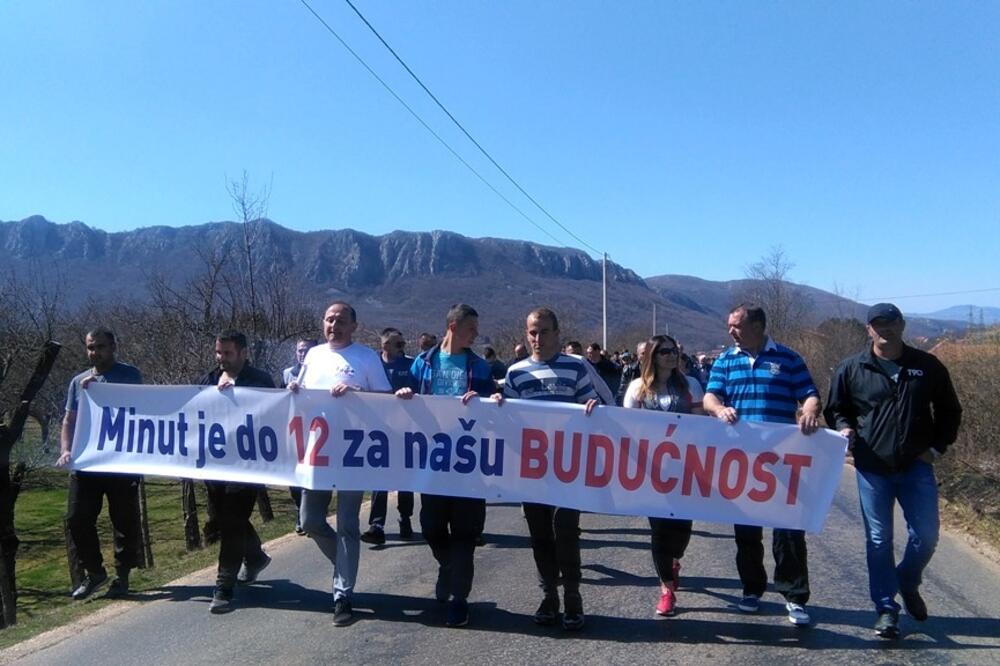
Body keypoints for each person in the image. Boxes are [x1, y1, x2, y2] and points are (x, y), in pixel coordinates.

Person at [825, 303, 962, 639]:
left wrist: (937, 447)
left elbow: (950, 409)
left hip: (916, 466)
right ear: (869, 329)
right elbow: (837, 409)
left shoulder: (926, 365)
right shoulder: (852, 368)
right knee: (878, 539)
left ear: (902, 325)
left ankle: (907, 579)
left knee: (926, 536)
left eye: (890, 322)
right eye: (878, 324)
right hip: (872, 467)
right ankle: (886, 609)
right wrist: (844, 428)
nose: (884, 329)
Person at [702, 304, 822, 626]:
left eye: (736, 325)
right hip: (742, 459)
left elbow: (809, 393)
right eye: (729, 325)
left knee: (789, 531)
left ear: (757, 326)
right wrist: (719, 409)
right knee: (746, 530)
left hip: (783, 458)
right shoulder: (725, 360)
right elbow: (710, 396)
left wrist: (810, 410)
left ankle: (794, 596)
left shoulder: (788, 358)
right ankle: (751, 589)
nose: (730, 331)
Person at [288, 301, 392, 626]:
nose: (334, 325)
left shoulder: (366, 358)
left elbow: (386, 400)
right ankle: (346, 563)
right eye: (330, 320)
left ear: (353, 326)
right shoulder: (314, 355)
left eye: (341, 320)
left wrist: (357, 392)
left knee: (348, 524)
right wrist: (294, 390)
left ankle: (342, 595)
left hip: (352, 453)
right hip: (318, 452)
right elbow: (302, 396)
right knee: (309, 520)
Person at [494, 308, 599, 631]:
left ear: (557, 333)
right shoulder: (516, 373)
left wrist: (593, 408)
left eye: (543, 331)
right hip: (532, 469)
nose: (537, 338)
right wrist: (497, 405)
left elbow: (591, 406)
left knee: (565, 531)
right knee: (540, 535)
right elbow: (509, 418)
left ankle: (572, 597)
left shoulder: (576, 368)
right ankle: (549, 596)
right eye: (532, 332)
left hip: (568, 466)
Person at [395, 304, 496, 627]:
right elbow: (406, 404)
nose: (475, 335)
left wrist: (490, 400)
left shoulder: (479, 366)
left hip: (468, 464)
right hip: (432, 463)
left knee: (465, 533)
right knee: (431, 526)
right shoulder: (423, 363)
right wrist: (404, 394)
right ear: (453, 327)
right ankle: (447, 565)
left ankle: (459, 600)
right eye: (470, 329)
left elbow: (494, 408)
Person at [58, 328, 143, 600]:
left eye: (101, 347)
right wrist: (66, 449)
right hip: (87, 463)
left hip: (120, 462)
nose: (95, 352)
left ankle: (123, 575)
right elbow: (69, 420)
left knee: (124, 520)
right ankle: (94, 572)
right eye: (91, 347)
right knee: (76, 518)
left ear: (113, 346)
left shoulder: (130, 375)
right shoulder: (78, 382)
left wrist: (100, 391)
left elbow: (143, 410)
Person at [623, 335, 705, 616]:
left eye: (674, 351)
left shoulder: (691, 385)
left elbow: (701, 424)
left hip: (685, 469)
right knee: (659, 530)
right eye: (664, 352)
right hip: (651, 471)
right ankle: (667, 590)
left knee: (681, 532)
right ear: (652, 356)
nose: (671, 356)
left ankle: (674, 559)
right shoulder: (637, 388)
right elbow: (627, 426)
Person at [197, 330, 276, 614]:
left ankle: (224, 586)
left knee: (232, 521)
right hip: (216, 464)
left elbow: (272, 413)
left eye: (228, 353)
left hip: (248, 465)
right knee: (226, 517)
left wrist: (237, 396)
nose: (222, 358)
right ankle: (254, 557)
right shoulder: (208, 379)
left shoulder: (260, 380)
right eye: (218, 352)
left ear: (243, 353)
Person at [361, 328, 416, 545]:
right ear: (385, 346)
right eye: (398, 344)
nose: (403, 347)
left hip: (405, 428)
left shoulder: (410, 364)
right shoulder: (372, 364)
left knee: (404, 477)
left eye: (403, 343)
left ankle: (405, 517)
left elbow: (420, 391)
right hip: (378, 429)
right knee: (380, 477)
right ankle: (377, 525)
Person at [282, 338, 318, 535]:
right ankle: (300, 511)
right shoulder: (287, 373)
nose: (303, 354)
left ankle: (311, 515)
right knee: (294, 474)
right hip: (294, 429)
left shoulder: (321, 371)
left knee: (312, 473)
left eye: (307, 350)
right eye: (300, 350)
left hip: (316, 429)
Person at [615, 341, 647, 406]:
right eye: (643, 353)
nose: (647, 356)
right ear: (638, 355)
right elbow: (622, 392)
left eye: (649, 353)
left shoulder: (661, 370)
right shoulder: (628, 370)